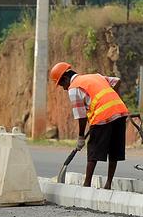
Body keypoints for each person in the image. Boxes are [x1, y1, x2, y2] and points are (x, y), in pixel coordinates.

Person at [49, 61, 128, 190]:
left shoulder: (74, 88)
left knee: (93, 151)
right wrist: (111, 100)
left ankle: (86, 184)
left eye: (62, 84)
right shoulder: (96, 76)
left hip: (102, 115)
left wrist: (81, 137)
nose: (64, 88)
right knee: (114, 150)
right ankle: (108, 184)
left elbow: (81, 116)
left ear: (65, 78)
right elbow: (117, 81)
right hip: (120, 111)